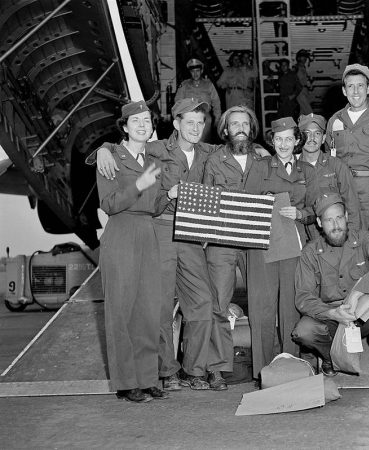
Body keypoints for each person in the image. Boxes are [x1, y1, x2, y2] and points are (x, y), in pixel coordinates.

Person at [93, 99, 223, 392]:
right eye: (188, 121)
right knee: (139, 308)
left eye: (146, 121)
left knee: (170, 306)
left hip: (170, 232)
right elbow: (111, 193)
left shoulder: (190, 155)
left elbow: (238, 148)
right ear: (175, 124)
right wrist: (103, 148)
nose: (194, 127)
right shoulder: (137, 152)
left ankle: (174, 374)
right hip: (140, 231)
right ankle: (146, 377)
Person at [96, 101, 168, 403]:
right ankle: (126, 383)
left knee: (149, 310)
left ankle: (148, 378)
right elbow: (109, 204)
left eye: (146, 120)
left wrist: (168, 196)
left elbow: (153, 206)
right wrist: (138, 184)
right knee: (121, 312)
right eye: (135, 120)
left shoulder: (153, 160)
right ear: (124, 127)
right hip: (121, 233)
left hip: (148, 233)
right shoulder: (111, 156)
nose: (142, 124)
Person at [292, 192, 369, 393]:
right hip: (331, 318)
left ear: (347, 217)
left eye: (339, 217)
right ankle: (329, 357)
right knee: (303, 331)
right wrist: (332, 313)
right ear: (319, 223)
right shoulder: (310, 252)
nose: (336, 225)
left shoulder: (365, 239)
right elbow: (303, 297)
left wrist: (359, 291)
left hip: (362, 315)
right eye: (329, 220)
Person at [247, 117, 316, 379]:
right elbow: (246, 201)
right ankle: (262, 371)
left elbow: (316, 207)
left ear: (297, 141)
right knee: (262, 307)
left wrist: (300, 213)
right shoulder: (259, 166)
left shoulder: (307, 171)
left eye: (289, 138)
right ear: (271, 141)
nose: (284, 144)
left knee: (290, 307)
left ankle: (291, 368)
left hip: (293, 243)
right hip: (263, 243)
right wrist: (262, 203)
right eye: (278, 139)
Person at [203, 105, 267, 382]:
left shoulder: (264, 159)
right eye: (234, 124)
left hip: (254, 239)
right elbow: (206, 202)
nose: (240, 128)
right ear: (225, 130)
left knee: (261, 300)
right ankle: (216, 368)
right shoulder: (214, 161)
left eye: (245, 124)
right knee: (218, 303)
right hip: (222, 238)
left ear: (251, 129)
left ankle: (263, 364)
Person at [325, 64, 369, 230]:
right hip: (343, 189)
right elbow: (329, 158)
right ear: (344, 90)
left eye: (360, 86)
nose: (355, 92)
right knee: (347, 243)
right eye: (350, 86)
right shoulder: (335, 120)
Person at [297, 113, 361, 240]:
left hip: (336, 235)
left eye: (317, 133)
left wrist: (353, 239)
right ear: (299, 138)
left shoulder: (336, 165)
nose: (312, 138)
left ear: (324, 138)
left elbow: (352, 206)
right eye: (307, 133)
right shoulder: (292, 169)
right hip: (306, 239)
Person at [175, 58, 222, 142]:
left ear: (202, 71)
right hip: (188, 113)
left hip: (204, 113)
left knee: (207, 123)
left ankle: (203, 147)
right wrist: (177, 117)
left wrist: (217, 118)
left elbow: (216, 101)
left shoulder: (208, 84)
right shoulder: (184, 85)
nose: (195, 74)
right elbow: (178, 101)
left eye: (197, 71)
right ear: (190, 72)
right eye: (193, 71)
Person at [295, 50, 313, 115]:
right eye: (303, 56)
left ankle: (300, 125)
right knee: (309, 113)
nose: (305, 58)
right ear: (298, 58)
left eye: (305, 57)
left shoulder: (303, 67)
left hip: (305, 90)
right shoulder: (296, 67)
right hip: (300, 91)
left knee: (302, 114)